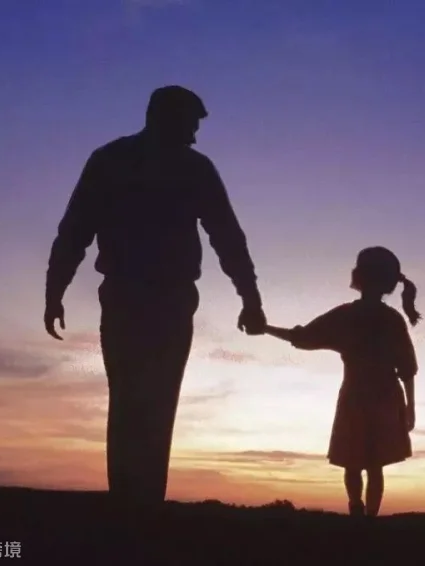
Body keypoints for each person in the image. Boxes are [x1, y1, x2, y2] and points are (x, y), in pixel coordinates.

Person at [43, 85, 267, 506]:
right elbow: (227, 238)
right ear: (167, 118)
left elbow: (73, 232)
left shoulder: (116, 159)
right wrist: (250, 299)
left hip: (151, 299)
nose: (195, 136)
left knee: (134, 401)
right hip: (148, 299)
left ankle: (136, 503)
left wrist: (55, 290)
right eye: (191, 125)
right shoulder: (171, 166)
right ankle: (137, 504)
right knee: (148, 401)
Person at [263, 246, 420, 517]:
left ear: (362, 276)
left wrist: (265, 329)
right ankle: (366, 517)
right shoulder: (391, 319)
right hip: (381, 398)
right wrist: (410, 407)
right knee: (373, 465)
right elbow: (407, 369)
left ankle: (358, 512)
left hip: (356, 397)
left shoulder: (348, 315)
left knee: (354, 462)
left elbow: (302, 337)